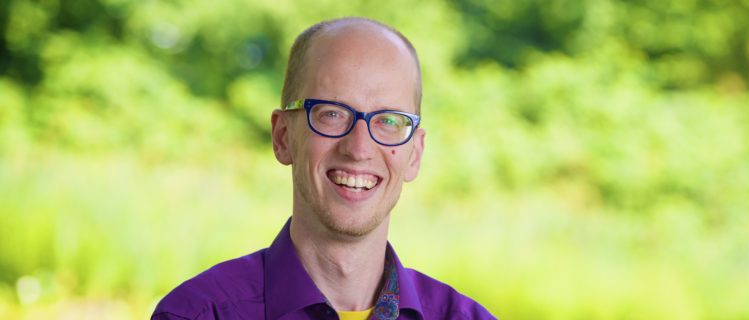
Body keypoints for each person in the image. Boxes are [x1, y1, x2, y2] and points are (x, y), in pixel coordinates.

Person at [152, 17, 495, 320]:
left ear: (415, 153)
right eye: (332, 113)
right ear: (283, 136)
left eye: (389, 120)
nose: (359, 148)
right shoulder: (197, 314)